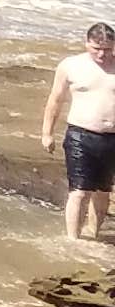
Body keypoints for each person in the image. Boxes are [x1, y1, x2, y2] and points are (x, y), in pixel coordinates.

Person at [47, 22, 115, 243]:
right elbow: (55, 99)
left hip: (111, 137)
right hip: (80, 135)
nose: (102, 54)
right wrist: (47, 133)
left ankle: (93, 234)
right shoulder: (70, 66)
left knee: (103, 192)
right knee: (80, 191)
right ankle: (73, 240)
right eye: (96, 48)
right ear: (87, 44)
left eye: (107, 49)